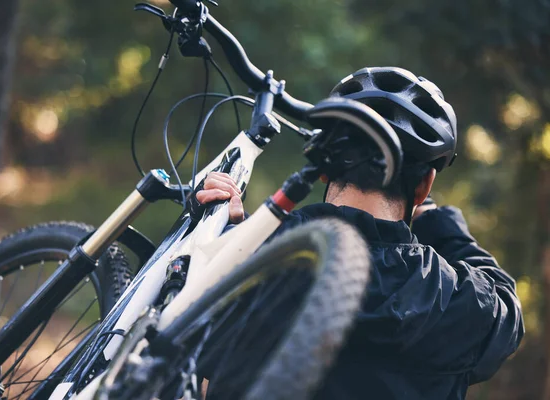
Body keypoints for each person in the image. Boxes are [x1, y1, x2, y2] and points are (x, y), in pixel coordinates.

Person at [195, 67, 524, 399]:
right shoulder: (459, 301)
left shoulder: (253, 255)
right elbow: (505, 304)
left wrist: (226, 226)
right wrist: (437, 220)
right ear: (424, 186)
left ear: (324, 170)